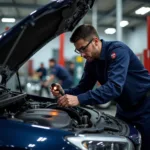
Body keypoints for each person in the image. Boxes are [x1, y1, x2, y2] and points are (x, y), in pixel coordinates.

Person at [51, 24, 150, 150]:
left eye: (83, 49)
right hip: (124, 108)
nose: (82, 55)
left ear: (95, 41)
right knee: (121, 144)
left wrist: (79, 99)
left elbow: (113, 87)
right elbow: (83, 88)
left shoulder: (118, 50)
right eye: (79, 51)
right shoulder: (91, 63)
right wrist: (64, 93)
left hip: (145, 106)